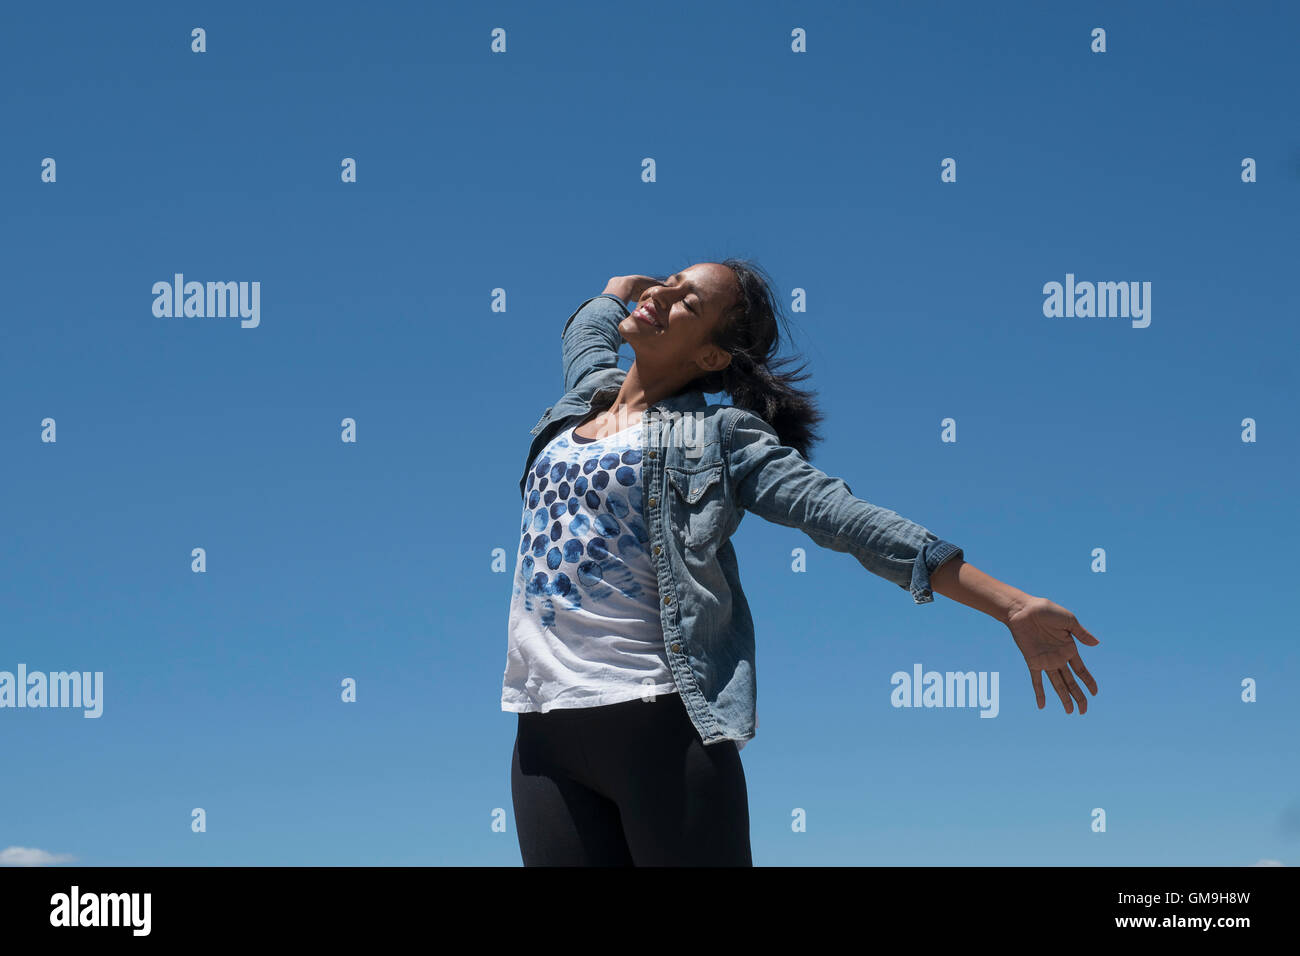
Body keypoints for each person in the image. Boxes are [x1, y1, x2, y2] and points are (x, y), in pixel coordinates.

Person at [502, 259, 1100, 866]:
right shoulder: (582, 399)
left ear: (712, 358)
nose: (665, 295)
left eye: (688, 303)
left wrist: (1011, 605)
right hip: (543, 730)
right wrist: (626, 289)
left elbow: (840, 516)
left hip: (660, 722)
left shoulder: (718, 437)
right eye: (670, 283)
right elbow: (590, 327)